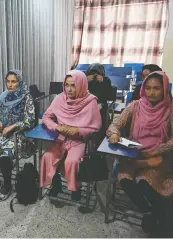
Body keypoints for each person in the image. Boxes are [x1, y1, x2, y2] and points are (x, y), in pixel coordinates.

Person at [107, 71, 173, 236]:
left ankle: (159, 217)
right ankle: (149, 212)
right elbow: (116, 123)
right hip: (134, 154)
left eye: (156, 88)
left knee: (145, 183)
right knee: (126, 180)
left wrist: (158, 150)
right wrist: (114, 133)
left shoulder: (170, 111)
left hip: (158, 157)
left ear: (165, 89)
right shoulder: (135, 105)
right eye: (148, 88)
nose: (151, 92)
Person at [40, 70, 102, 201]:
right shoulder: (60, 98)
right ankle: (56, 185)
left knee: (72, 161)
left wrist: (78, 130)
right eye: (66, 85)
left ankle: (75, 188)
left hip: (79, 141)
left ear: (81, 85)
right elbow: (46, 117)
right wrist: (56, 126)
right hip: (61, 139)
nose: (69, 89)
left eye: (73, 85)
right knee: (47, 156)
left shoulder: (90, 102)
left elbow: (96, 127)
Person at [0, 70, 35, 201]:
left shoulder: (26, 97)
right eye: (8, 81)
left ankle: (7, 186)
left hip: (19, 136)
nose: (10, 85)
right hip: (2, 135)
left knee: (6, 155)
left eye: (14, 81)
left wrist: (14, 126)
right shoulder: (3, 96)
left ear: (19, 82)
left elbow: (30, 119)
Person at [86, 63, 113, 133]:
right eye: (92, 73)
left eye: (97, 73)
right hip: (87, 103)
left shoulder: (106, 80)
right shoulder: (85, 79)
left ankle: (101, 133)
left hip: (101, 103)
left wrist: (103, 81)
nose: (95, 75)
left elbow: (109, 94)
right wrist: (85, 81)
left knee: (101, 110)